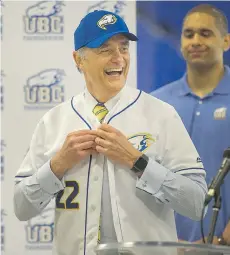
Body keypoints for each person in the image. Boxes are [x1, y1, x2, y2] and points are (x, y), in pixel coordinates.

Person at [14, 10, 208, 255]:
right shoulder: (54, 121)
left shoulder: (161, 115)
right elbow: (22, 207)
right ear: (78, 59)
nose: (119, 58)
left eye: (124, 48)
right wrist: (58, 165)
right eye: (105, 49)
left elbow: (197, 203)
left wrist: (137, 162)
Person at [151, 4, 230, 246]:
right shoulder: (157, 103)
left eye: (205, 33)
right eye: (189, 34)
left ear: (226, 41)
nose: (195, 41)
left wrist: (223, 240)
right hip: (169, 247)